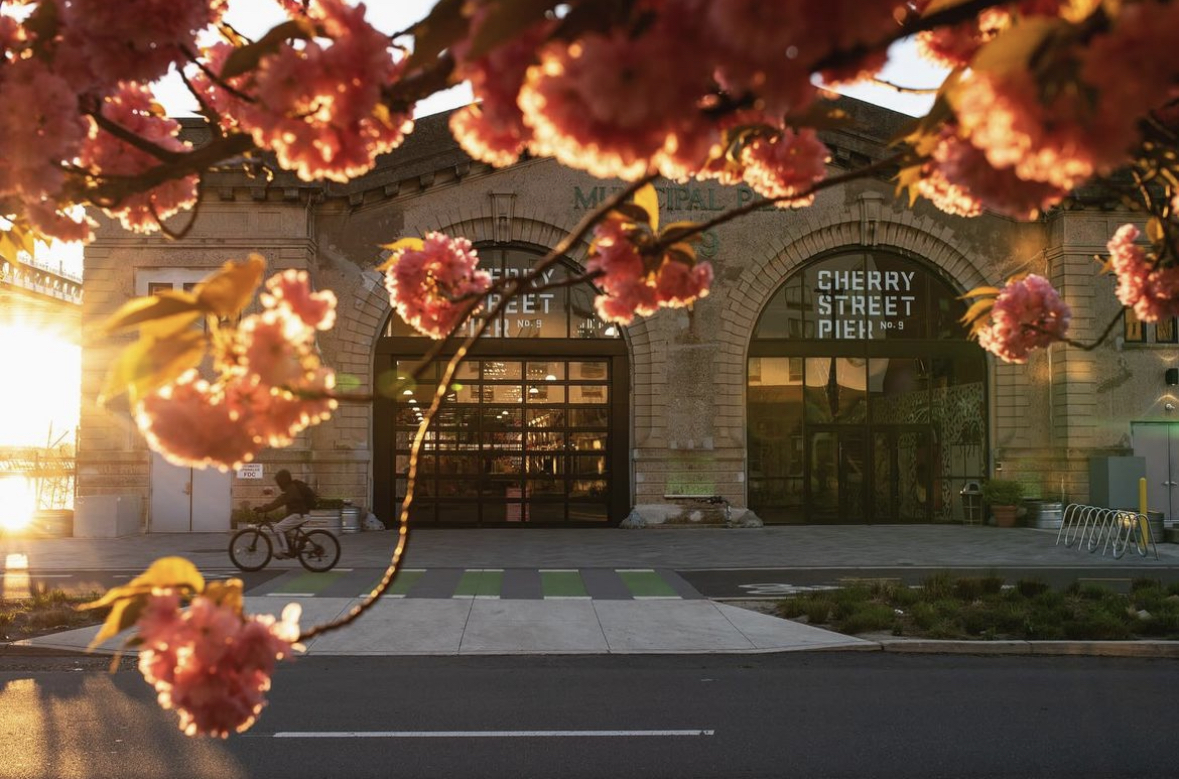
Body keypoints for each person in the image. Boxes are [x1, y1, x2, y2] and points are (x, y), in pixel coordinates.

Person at [255, 469, 314, 559]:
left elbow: (279, 502)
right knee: (285, 530)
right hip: (300, 514)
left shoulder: (291, 489)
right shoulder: (291, 487)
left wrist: (264, 508)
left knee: (278, 528)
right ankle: (302, 540)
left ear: (282, 480)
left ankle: (285, 551)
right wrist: (266, 507)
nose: (278, 484)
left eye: (278, 481)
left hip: (299, 514)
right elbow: (281, 500)